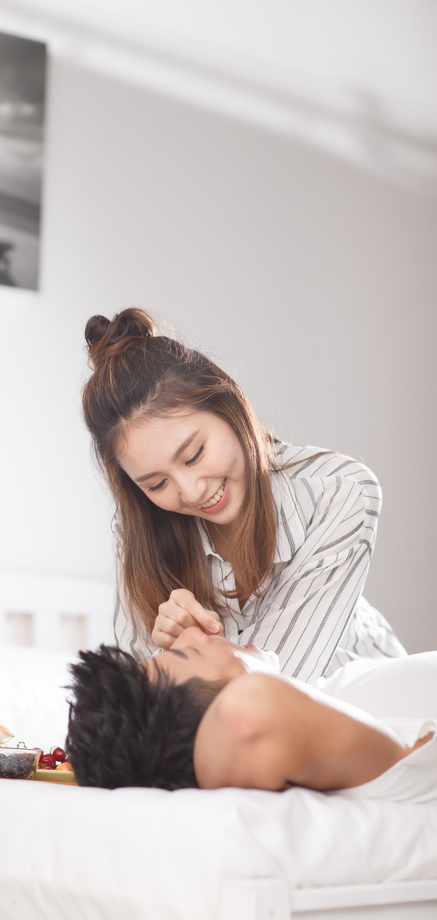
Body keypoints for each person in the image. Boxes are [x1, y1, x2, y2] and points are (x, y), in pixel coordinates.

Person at [82, 308, 406, 684]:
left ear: (228, 406)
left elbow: (274, 686)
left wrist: (191, 653)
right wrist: (168, 650)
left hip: (379, 715)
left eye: (194, 455)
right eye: (156, 485)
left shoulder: (337, 491)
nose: (192, 491)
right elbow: (134, 699)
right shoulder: (141, 527)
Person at [65, 629, 436, 801]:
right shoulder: (256, 720)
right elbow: (247, 709)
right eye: (186, 654)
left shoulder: (333, 699)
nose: (189, 634)